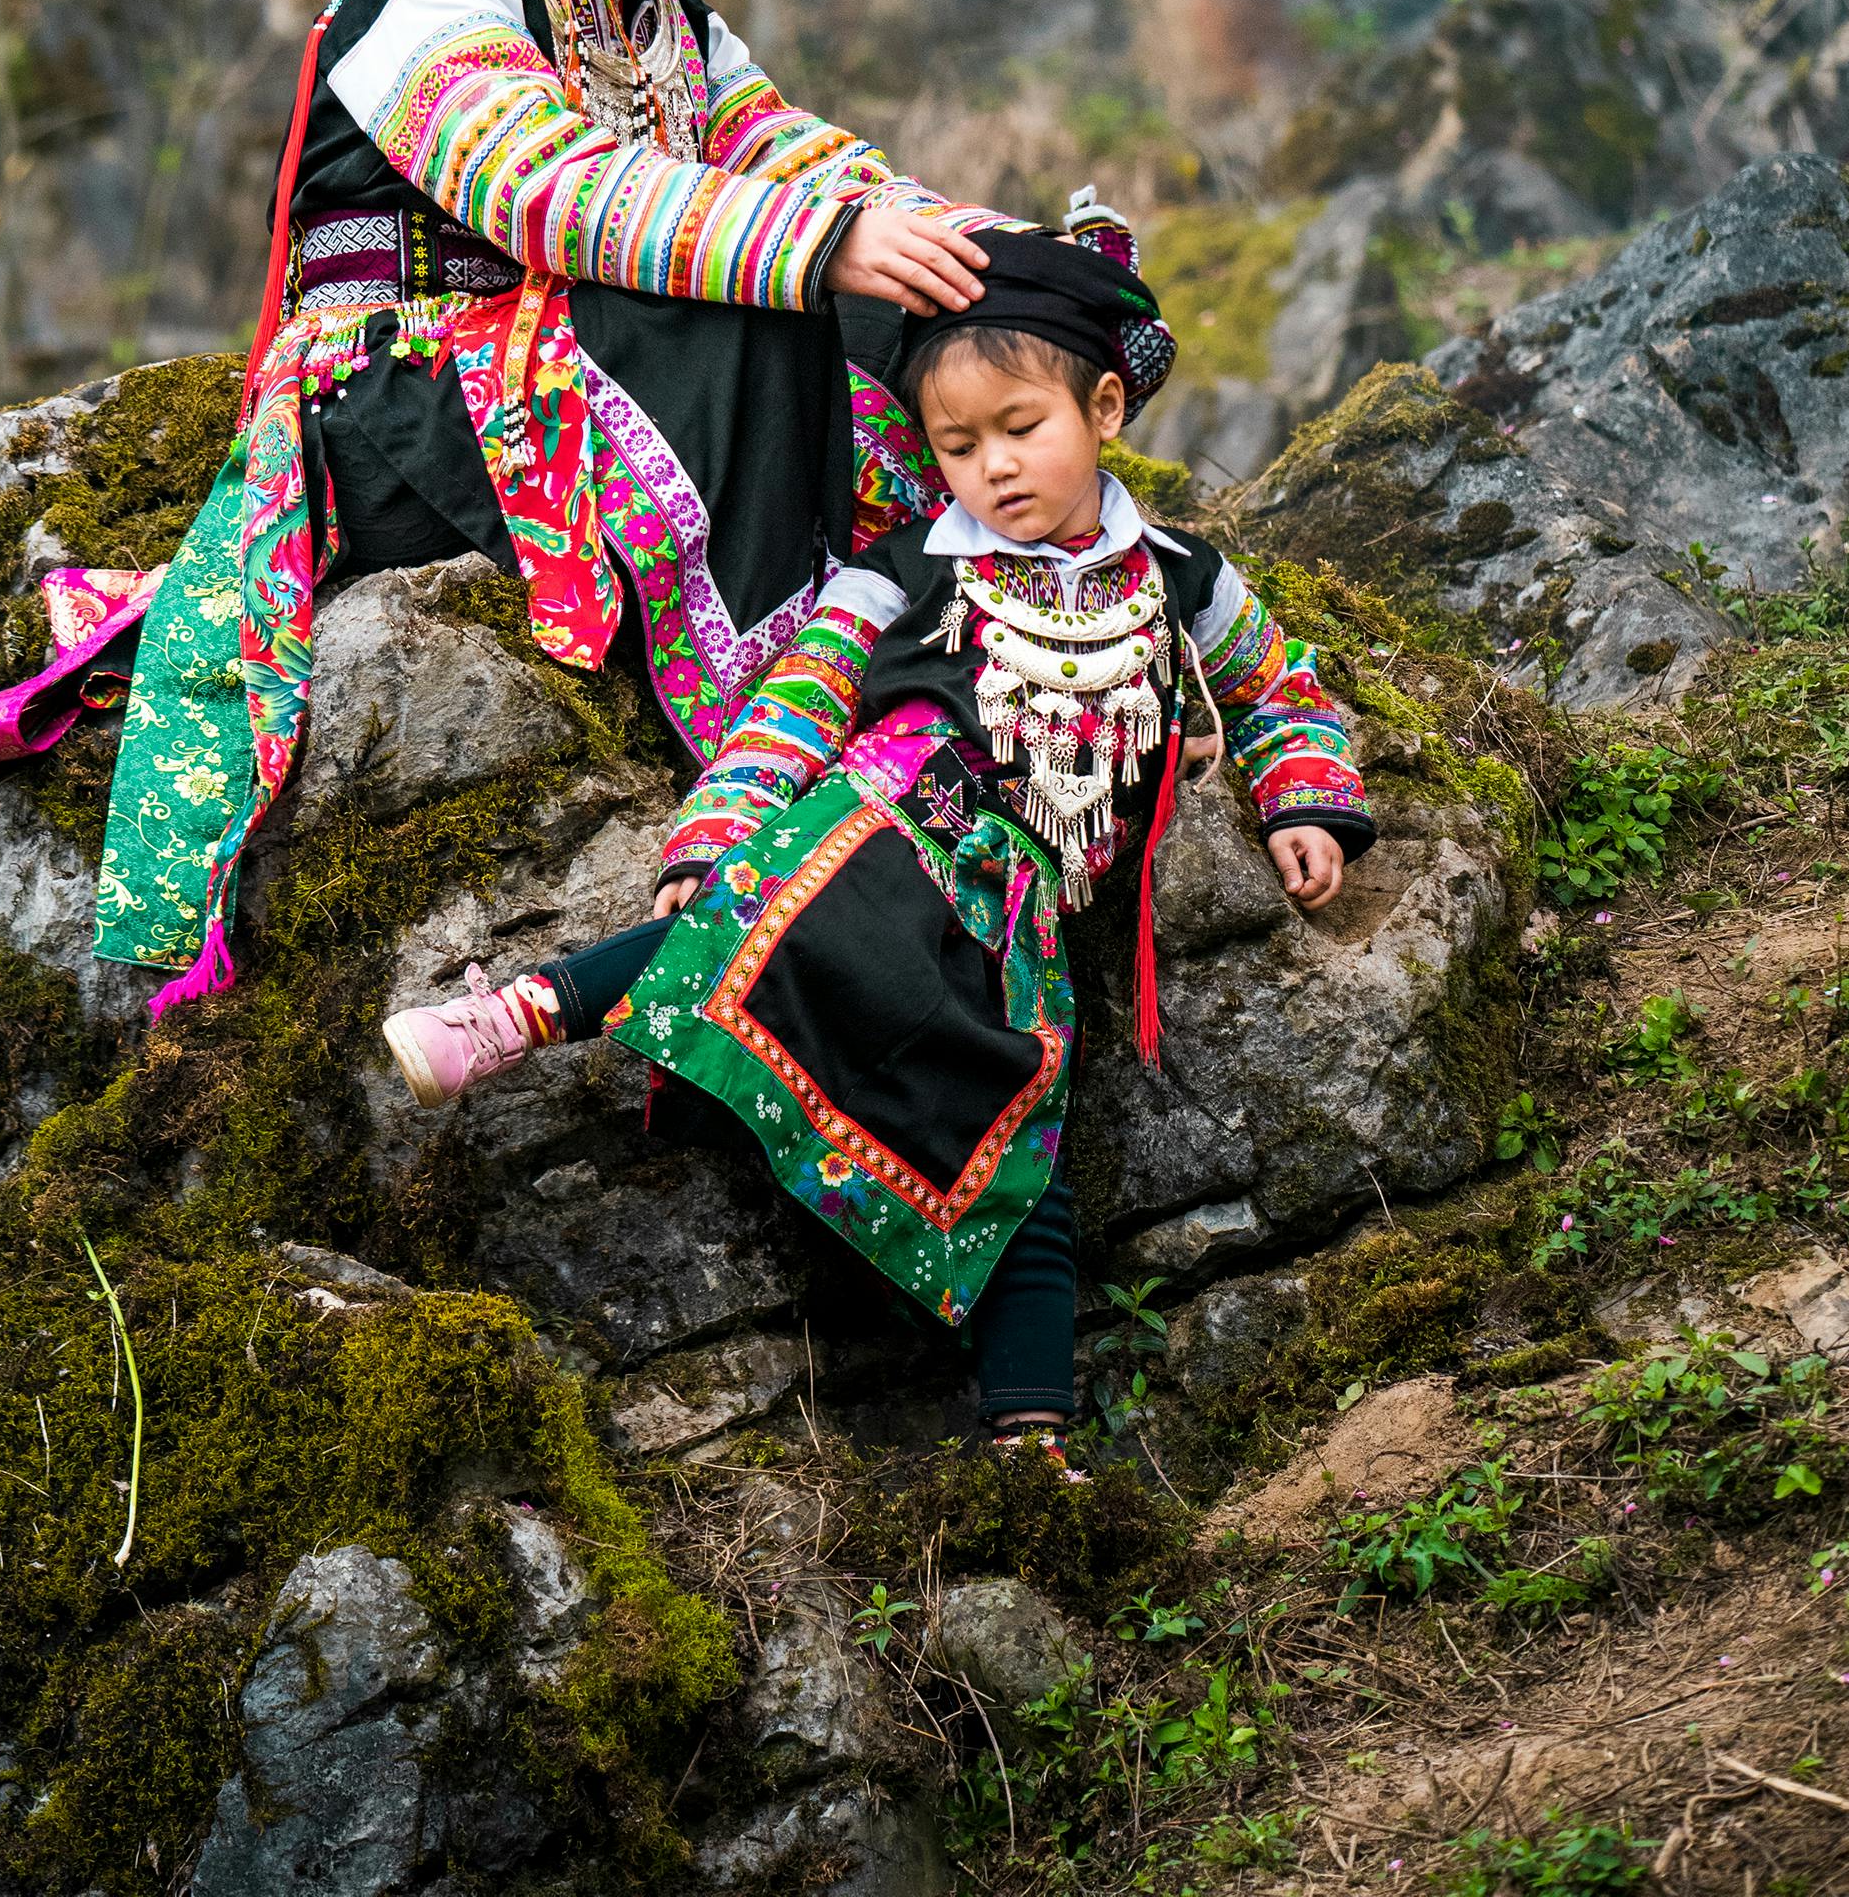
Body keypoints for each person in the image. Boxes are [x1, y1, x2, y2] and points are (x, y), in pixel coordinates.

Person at [0, 0, 998, 1003]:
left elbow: (781, 150)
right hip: (396, 414)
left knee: (891, 292)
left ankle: (929, 618)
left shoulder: (656, 11)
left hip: (549, 380)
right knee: (759, 289)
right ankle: (764, 727)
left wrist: (967, 244)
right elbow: (542, 186)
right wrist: (819, 245)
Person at [376, 217, 1373, 1471]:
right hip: (890, 820)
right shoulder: (900, 573)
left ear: (1105, 405)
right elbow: (797, 695)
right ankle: (521, 1012)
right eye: (959, 446)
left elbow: (1282, 686)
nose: (995, 467)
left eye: (1023, 427)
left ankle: (1029, 1434)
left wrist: (1303, 799)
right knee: (745, 916)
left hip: (1025, 918)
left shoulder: (1181, 575)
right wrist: (726, 822)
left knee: (1020, 1140)